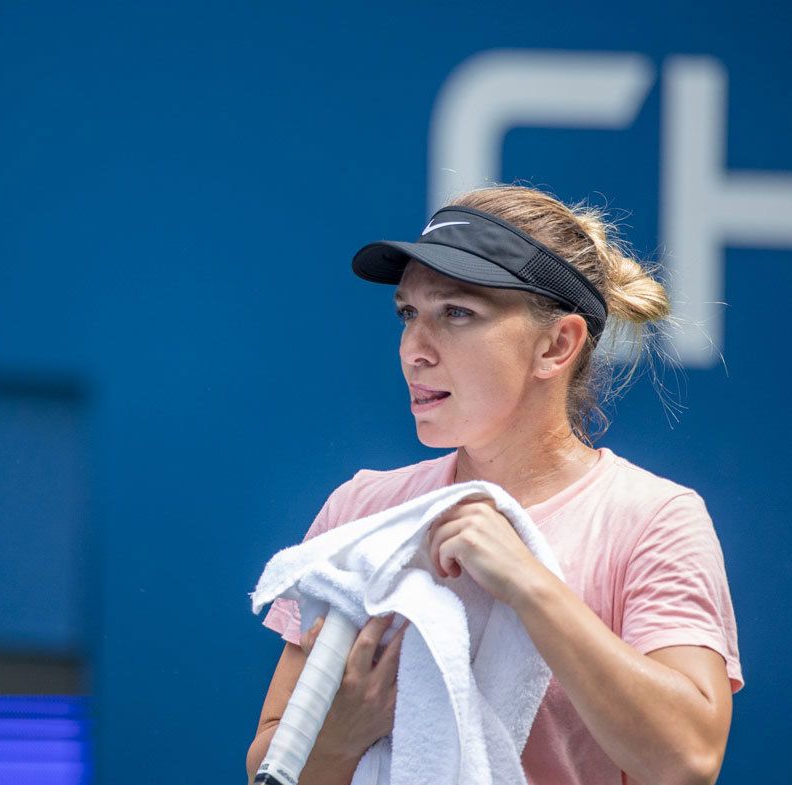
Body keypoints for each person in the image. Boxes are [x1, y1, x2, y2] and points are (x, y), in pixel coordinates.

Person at [246, 186, 741, 785]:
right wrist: (340, 735)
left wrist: (529, 584)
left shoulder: (655, 519)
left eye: (457, 313)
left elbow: (688, 762)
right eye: (408, 314)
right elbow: (266, 771)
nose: (413, 351)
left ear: (556, 345)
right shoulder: (361, 508)